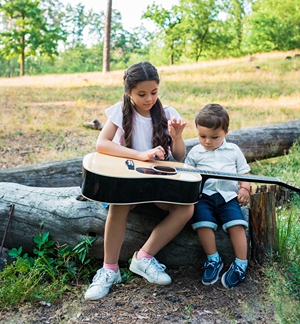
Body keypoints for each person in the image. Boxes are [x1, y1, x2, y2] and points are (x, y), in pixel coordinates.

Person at [85, 61, 194, 301]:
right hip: (130, 182)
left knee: (186, 208)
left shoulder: (168, 114)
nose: (149, 99)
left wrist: (177, 137)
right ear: (128, 92)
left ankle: (144, 257)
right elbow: (101, 144)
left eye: (154, 92)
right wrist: (139, 155)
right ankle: (109, 269)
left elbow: (180, 156)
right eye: (141, 94)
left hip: (159, 185)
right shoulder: (120, 112)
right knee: (117, 205)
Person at [185, 103, 251, 289]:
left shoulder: (233, 151)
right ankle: (214, 259)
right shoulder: (195, 153)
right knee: (203, 224)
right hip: (203, 197)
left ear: (226, 132)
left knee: (237, 225)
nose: (207, 141)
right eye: (202, 136)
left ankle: (240, 264)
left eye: (214, 137)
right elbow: (188, 174)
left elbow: (245, 173)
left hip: (228, 197)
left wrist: (244, 189)